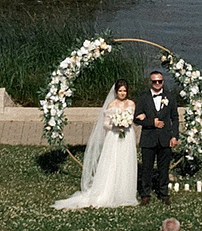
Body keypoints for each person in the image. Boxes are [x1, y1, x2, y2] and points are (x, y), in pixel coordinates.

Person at [54, 81, 142, 210]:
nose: (122, 93)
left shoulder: (131, 104)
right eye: (120, 91)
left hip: (128, 136)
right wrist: (116, 125)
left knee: (126, 161)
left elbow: (135, 119)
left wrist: (130, 121)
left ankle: (124, 192)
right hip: (114, 135)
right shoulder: (112, 104)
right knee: (113, 162)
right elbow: (105, 124)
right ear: (116, 92)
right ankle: (108, 191)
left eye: (124, 91)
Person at [134, 68, 181, 200]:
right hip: (148, 138)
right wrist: (151, 122)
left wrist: (175, 136)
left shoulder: (170, 97)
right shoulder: (143, 98)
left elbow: (175, 117)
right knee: (147, 168)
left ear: (163, 82)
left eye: (160, 81)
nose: (157, 84)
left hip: (165, 138)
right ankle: (145, 193)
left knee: (164, 168)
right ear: (150, 82)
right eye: (155, 81)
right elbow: (136, 119)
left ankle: (163, 193)